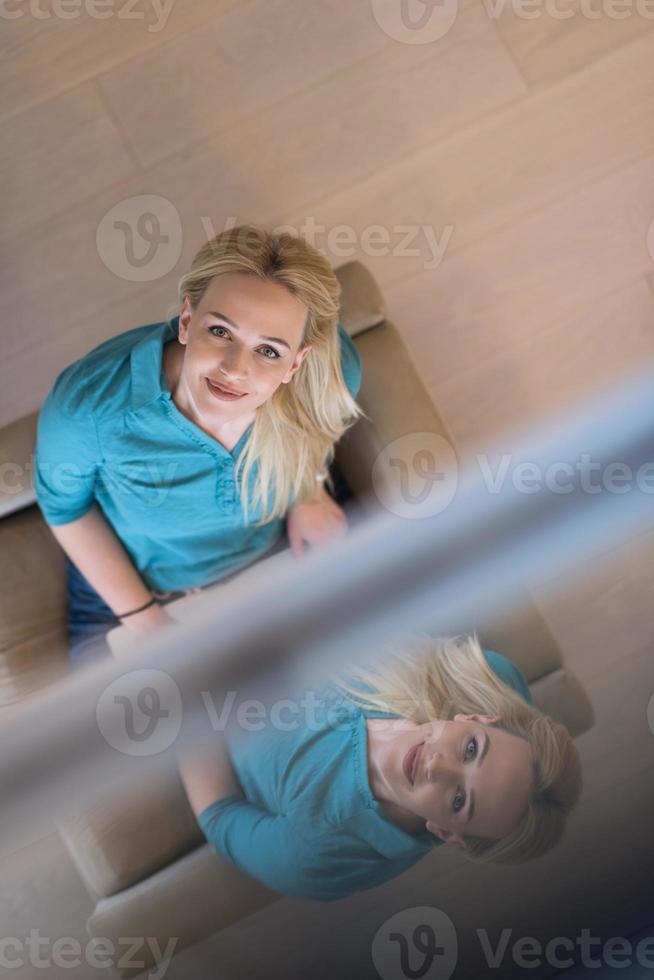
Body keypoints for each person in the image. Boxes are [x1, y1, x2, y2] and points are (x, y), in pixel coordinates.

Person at [33, 224, 365, 669]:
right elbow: (66, 510)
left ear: (296, 363)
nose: (235, 369)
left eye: (269, 351)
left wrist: (311, 492)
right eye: (221, 331)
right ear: (187, 321)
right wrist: (151, 627)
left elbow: (317, 429)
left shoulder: (330, 372)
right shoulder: (89, 407)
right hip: (153, 587)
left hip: (279, 542)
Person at [178, 633, 583, 902]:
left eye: (459, 800)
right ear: (477, 719)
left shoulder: (316, 858)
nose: (437, 767)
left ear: (447, 833)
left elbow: (220, 815)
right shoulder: (488, 680)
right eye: (472, 749)